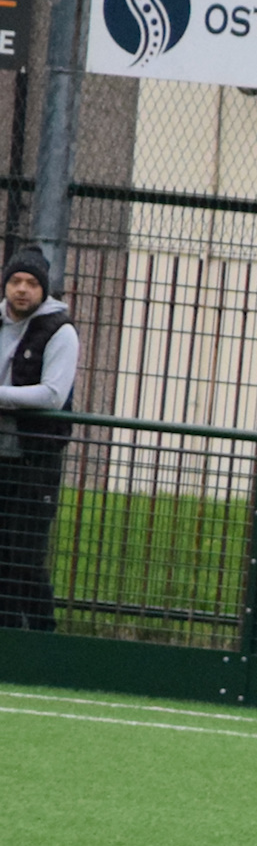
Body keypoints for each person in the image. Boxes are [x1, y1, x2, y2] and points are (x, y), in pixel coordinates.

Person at [0, 247, 80, 631]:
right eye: (15, 281)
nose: (22, 290)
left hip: (33, 462)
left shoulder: (60, 331)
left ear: (43, 290)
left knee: (25, 557)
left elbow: (52, 394)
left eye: (31, 283)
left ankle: (45, 641)